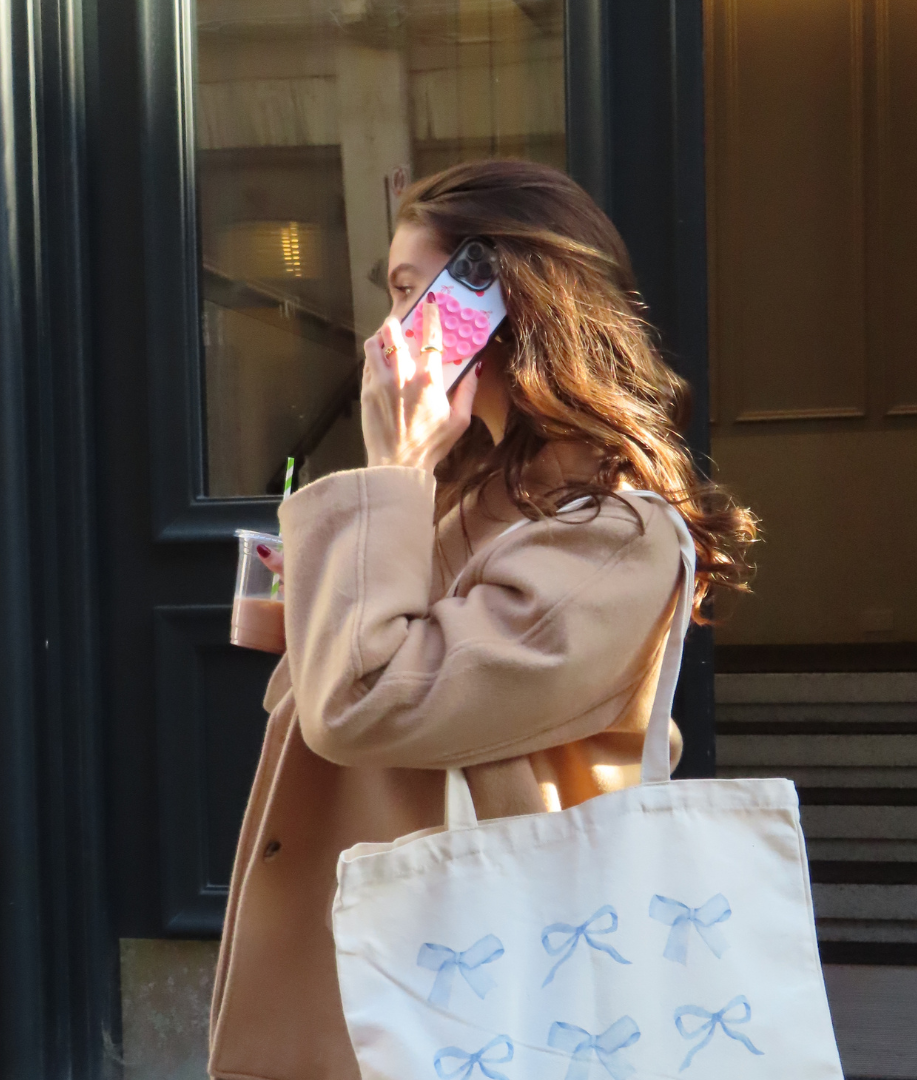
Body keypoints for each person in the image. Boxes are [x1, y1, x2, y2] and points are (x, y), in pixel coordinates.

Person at [207, 160, 756, 1080]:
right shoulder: (475, 498)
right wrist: (325, 581)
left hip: (489, 994)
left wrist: (393, 473)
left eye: (411, 292)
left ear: (503, 301)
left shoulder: (613, 534)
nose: (388, 332)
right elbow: (336, 691)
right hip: (401, 963)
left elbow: (365, 703)